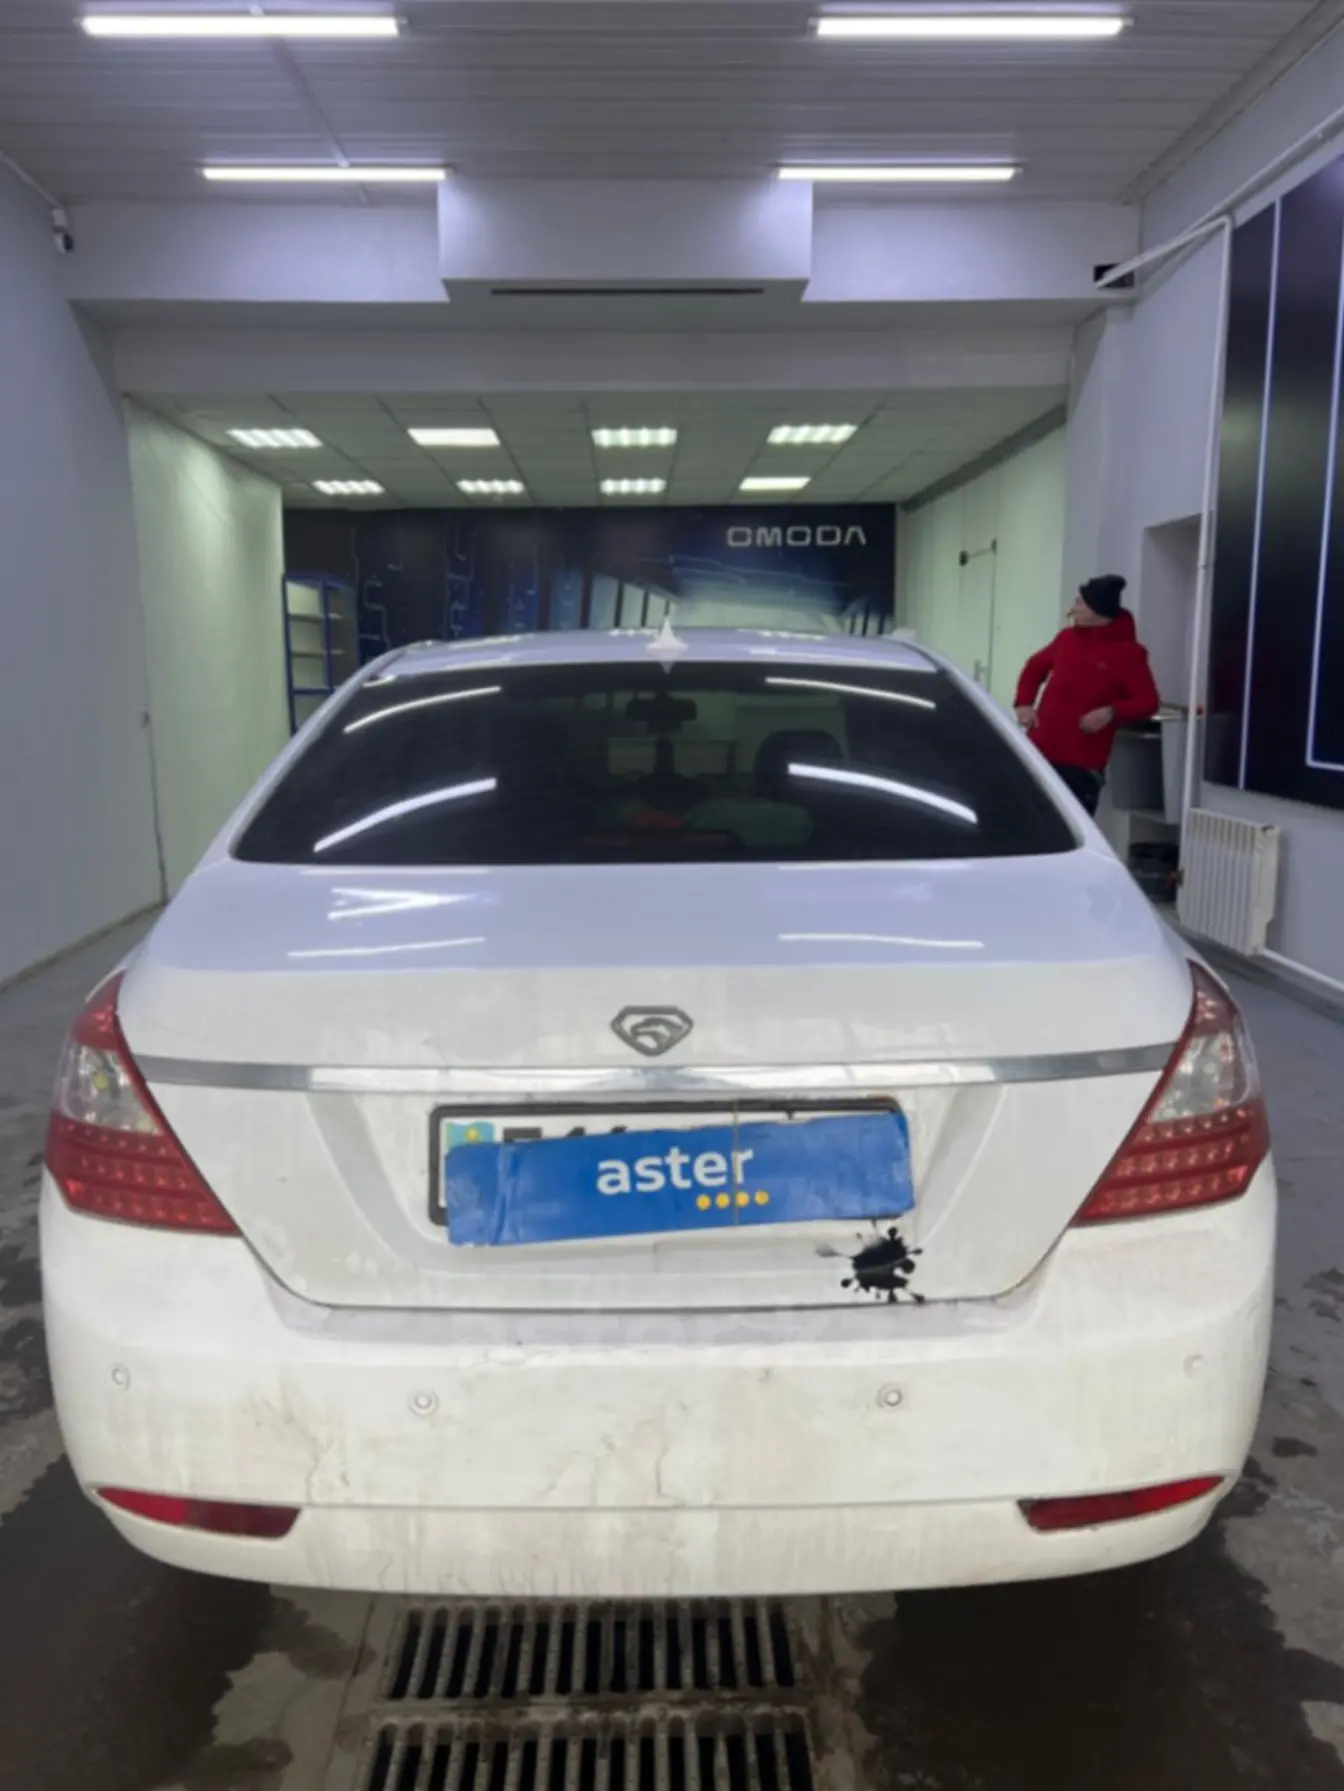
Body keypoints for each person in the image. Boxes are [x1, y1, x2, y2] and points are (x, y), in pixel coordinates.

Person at [1013, 574, 1159, 817]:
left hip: (1081, 765)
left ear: (1096, 610)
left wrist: (1112, 712)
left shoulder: (1129, 653)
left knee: (1069, 830)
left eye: (1079, 603)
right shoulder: (1067, 639)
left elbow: (1148, 702)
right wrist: (1024, 703)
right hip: (1039, 752)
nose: (1072, 610)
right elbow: (1034, 667)